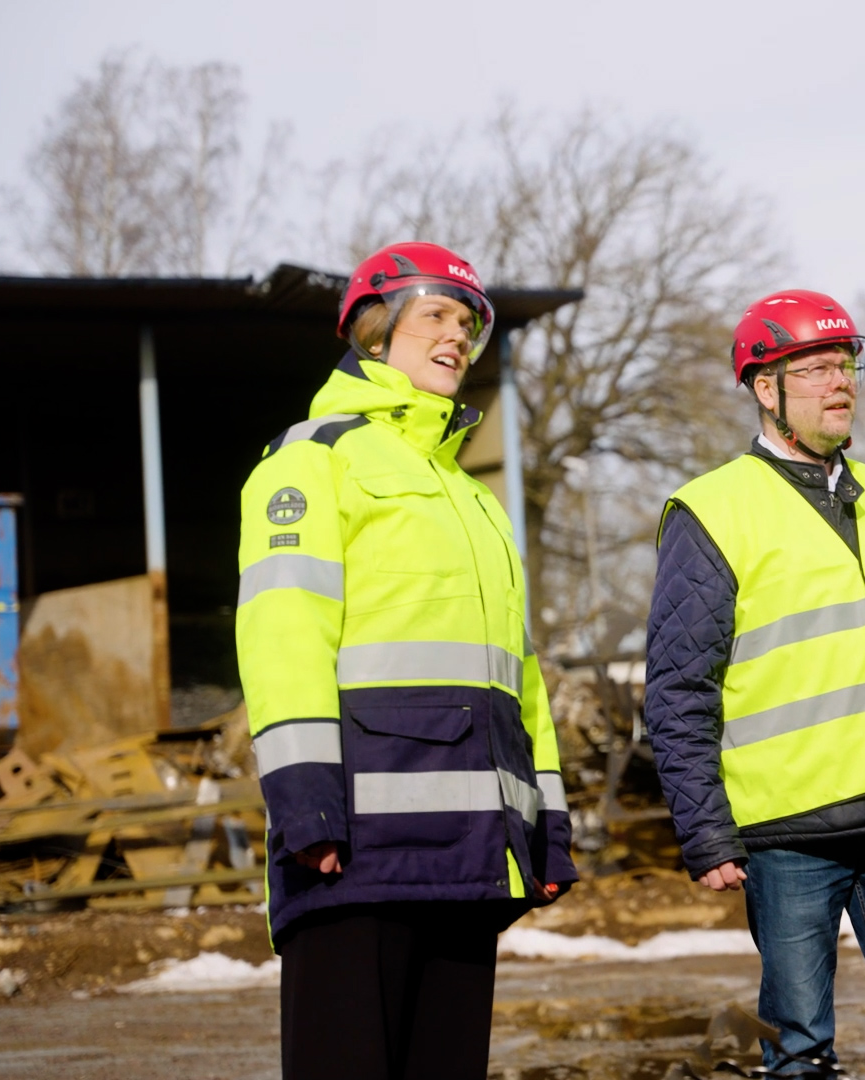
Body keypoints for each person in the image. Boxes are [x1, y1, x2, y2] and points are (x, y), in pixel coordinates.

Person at [236, 241, 578, 1079]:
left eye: (470, 325)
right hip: (355, 849)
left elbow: (520, 676)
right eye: (438, 316)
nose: (458, 336)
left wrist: (549, 823)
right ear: (374, 330)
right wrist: (305, 803)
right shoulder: (312, 459)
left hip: (471, 854)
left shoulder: (474, 500)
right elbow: (284, 632)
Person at [644, 289, 865, 1078]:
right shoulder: (713, 511)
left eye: (846, 365)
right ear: (764, 388)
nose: (839, 382)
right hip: (787, 836)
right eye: (814, 369)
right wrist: (705, 832)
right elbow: (678, 689)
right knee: (799, 1052)